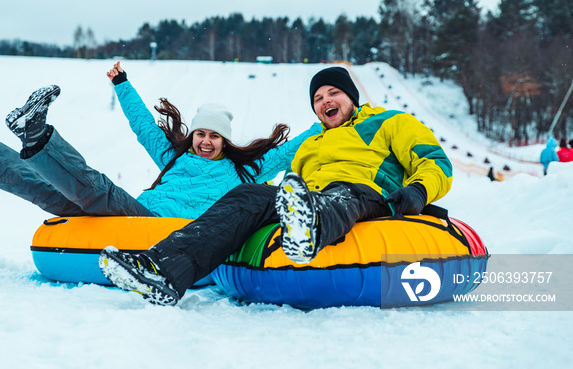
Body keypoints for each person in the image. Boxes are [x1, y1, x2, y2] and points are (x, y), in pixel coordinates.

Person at [99, 66, 453, 306]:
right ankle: (162, 271)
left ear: (351, 96)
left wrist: (418, 192)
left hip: (365, 193)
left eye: (334, 93)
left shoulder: (390, 121)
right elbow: (288, 188)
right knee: (248, 194)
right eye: (318, 98)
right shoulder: (312, 144)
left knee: (342, 193)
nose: (326, 101)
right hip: (311, 197)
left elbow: (436, 162)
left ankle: (309, 229)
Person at [0, 62, 321, 219]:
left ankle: (35, 133)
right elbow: (144, 126)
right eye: (201, 133)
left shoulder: (244, 172)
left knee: (97, 188)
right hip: (136, 214)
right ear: (193, 135)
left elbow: (291, 149)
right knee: (52, 191)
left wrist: (327, 123)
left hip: (157, 226)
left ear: (225, 141)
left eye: (214, 136)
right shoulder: (174, 158)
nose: (206, 141)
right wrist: (122, 84)